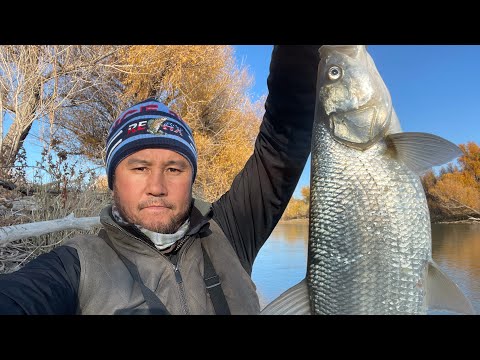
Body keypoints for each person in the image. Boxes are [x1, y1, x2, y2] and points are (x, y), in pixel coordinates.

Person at [0, 45, 321, 314]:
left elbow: (284, 134)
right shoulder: (75, 265)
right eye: (139, 168)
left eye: (174, 168)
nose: (157, 186)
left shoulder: (233, 229)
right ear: (113, 181)